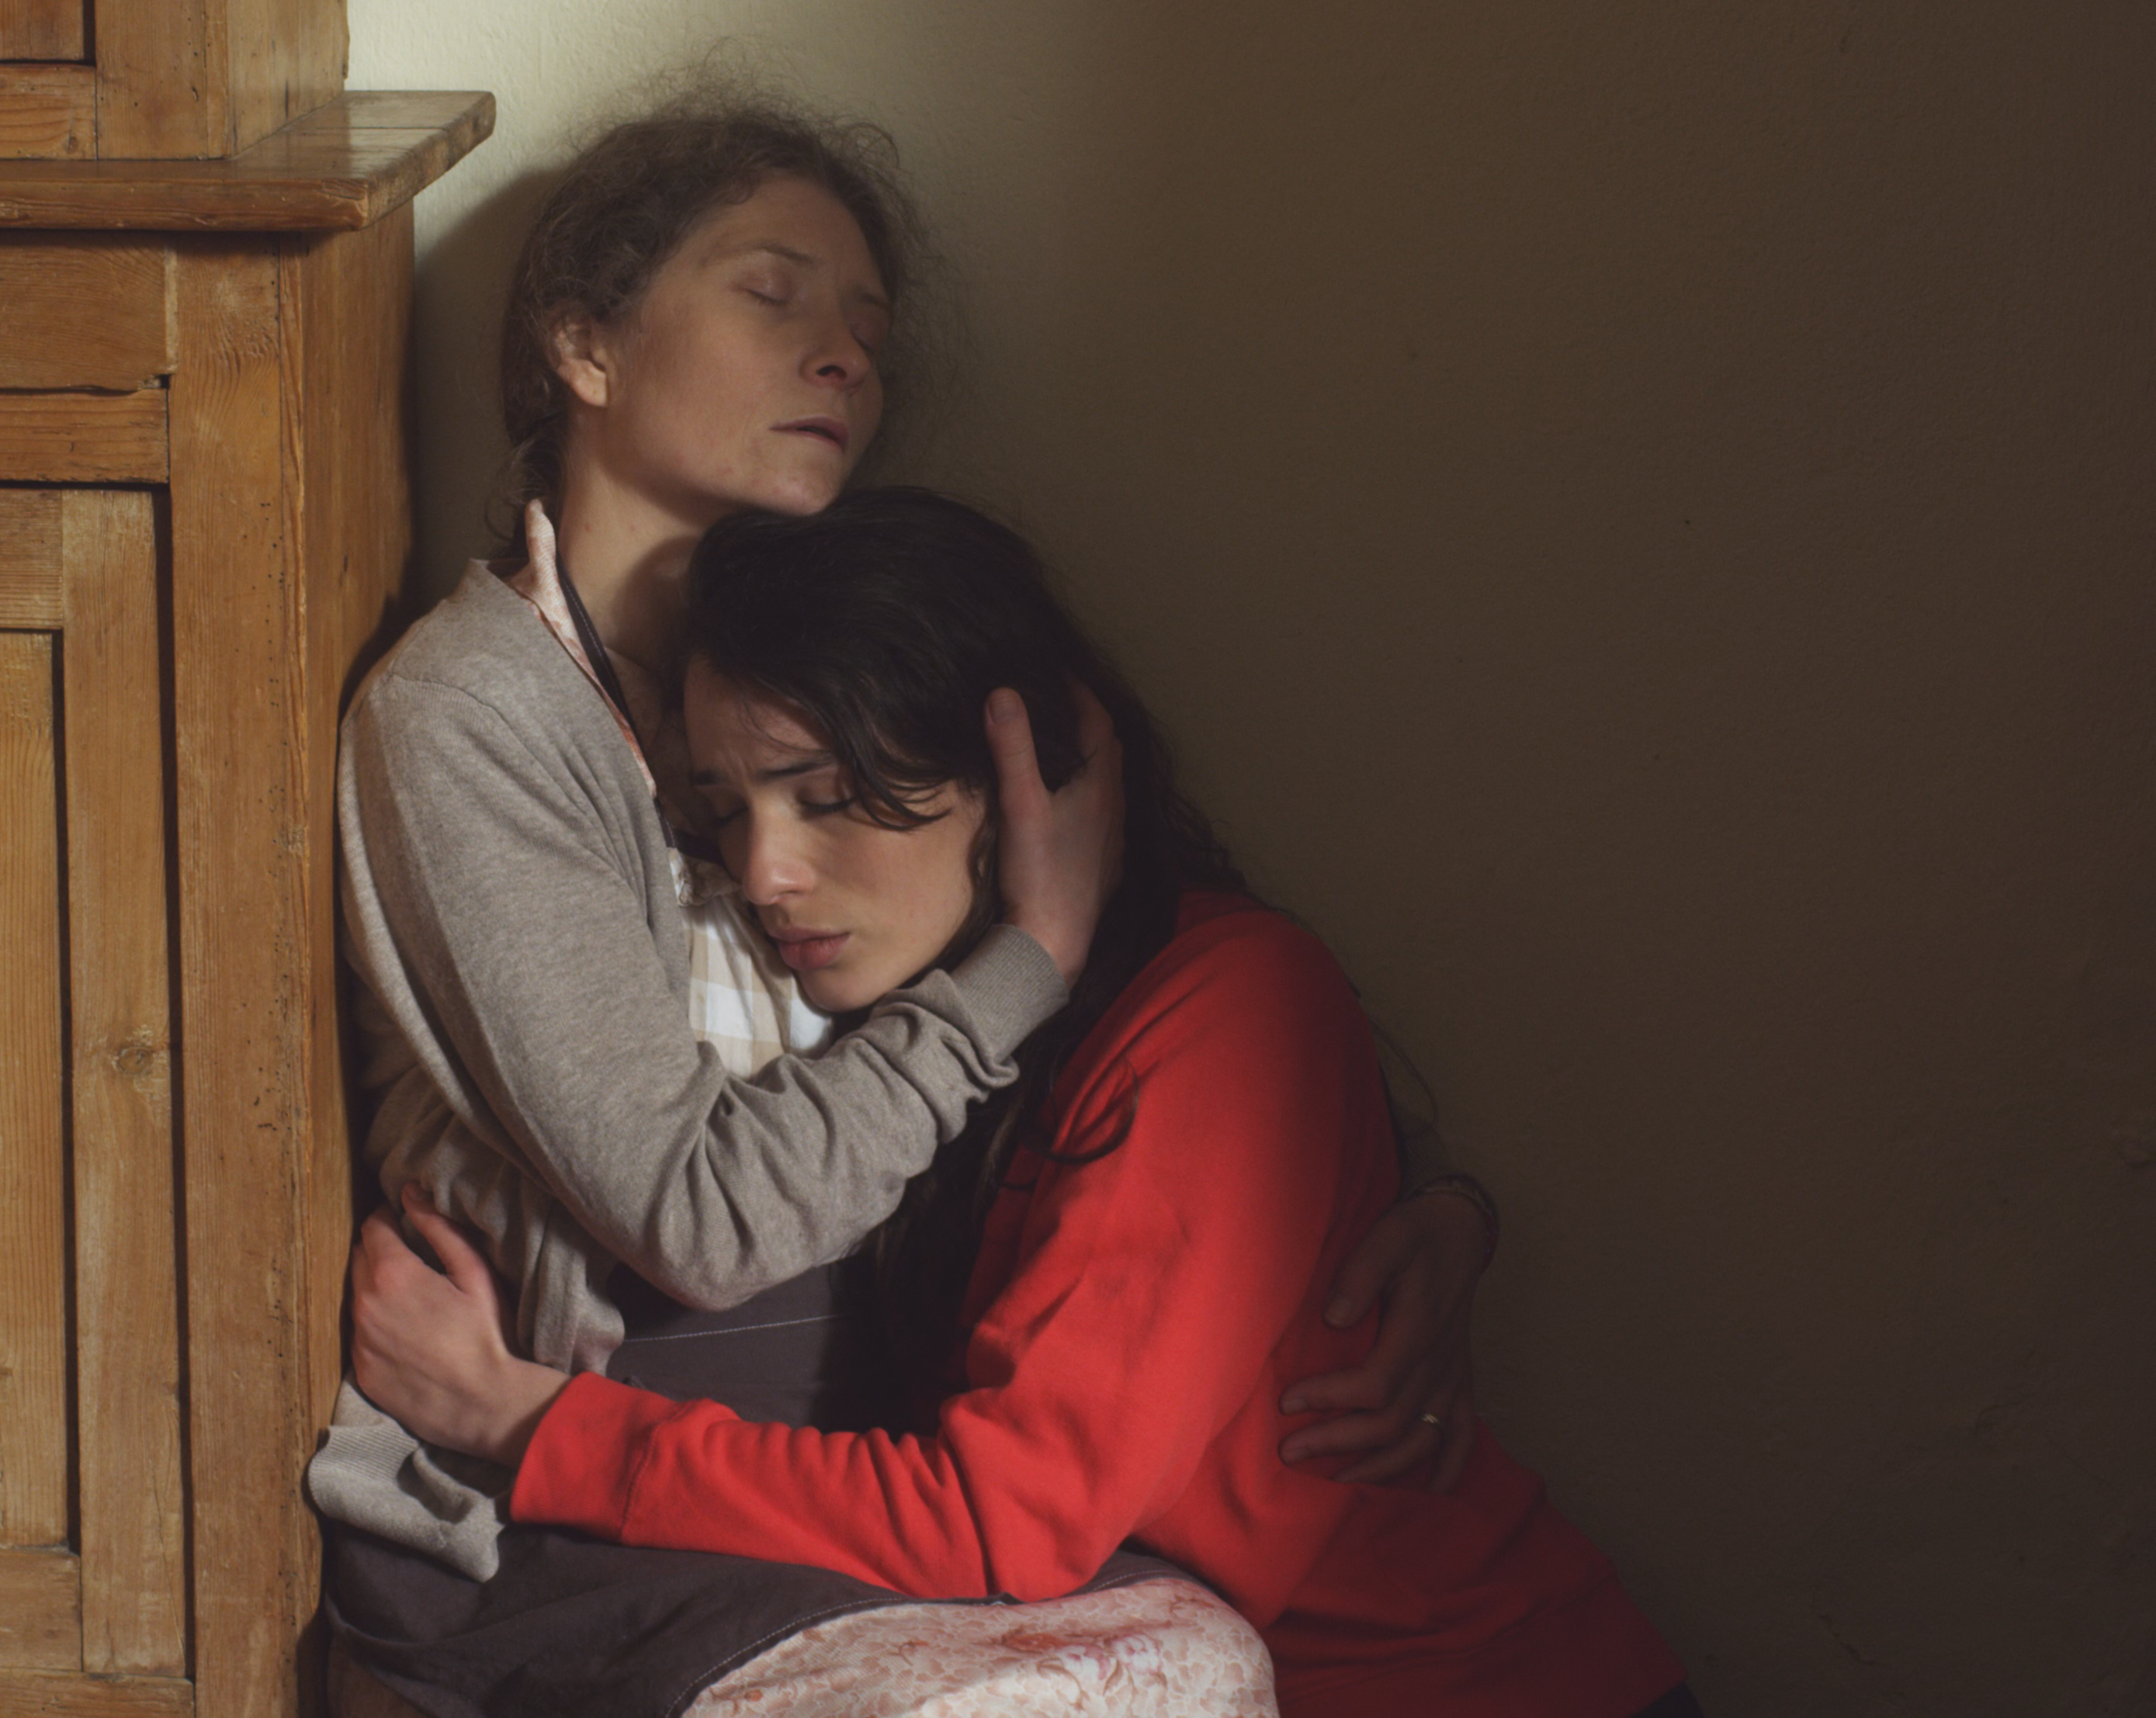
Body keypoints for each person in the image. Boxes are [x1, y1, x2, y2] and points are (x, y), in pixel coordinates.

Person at [314, 92, 1501, 1716]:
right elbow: (704, 1214)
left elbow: (1185, 1046)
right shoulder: (480, 712)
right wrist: (1029, 953)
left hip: (855, 1480)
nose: (841, 360)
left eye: (867, 333)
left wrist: (1419, 1203)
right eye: (772, 293)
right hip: (589, 1501)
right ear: (581, 340)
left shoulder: (830, 677)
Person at [348, 489, 1697, 1718]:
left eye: (828, 798)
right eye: (726, 809)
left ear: (1022, 775)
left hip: (1472, 1683)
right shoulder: (927, 1027)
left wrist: (526, 1422)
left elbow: (999, 1520)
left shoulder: (1220, 1006)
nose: (764, 873)